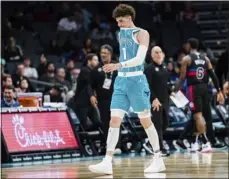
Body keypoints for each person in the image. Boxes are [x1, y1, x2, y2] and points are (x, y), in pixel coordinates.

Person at [88, 4, 165, 175]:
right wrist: (119, 67)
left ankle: (158, 158)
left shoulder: (142, 33)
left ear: (130, 18)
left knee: (145, 121)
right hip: (121, 81)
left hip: (136, 81)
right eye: (117, 22)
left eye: (121, 21)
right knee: (114, 121)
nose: (119, 24)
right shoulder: (120, 33)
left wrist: (118, 64)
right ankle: (107, 161)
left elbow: (139, 59)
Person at [175, 38, 224, 153]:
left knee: (197, 116)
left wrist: (175, 90)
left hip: (194, 88)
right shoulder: (205, 58)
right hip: (205, 88)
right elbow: (213, 75)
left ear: (189, 46)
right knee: (202, 116)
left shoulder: (186, 59)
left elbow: (182, 78)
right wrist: (219, 90)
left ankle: (205, 142)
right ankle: (194, 142)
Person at [144, 46, 172, 157]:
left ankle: (150, 142)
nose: (159, 54)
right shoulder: (149, 68)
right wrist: (153, 99)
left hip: (165, 99)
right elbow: (147, 86)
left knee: (166, 123)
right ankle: (160, 148)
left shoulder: (164, 67)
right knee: (158, 124)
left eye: (160, 52)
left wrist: (171, 91)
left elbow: (165, 83)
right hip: (155, 101)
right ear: (152, 55)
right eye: (156, 52)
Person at [91, 44, 119, 154]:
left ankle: (118, 145)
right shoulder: (96, 69)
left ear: (110, 54)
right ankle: (109, 146)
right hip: (103, 100)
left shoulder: (117, 67)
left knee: (116, 122)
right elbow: (91, 85)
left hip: (116, 99)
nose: (103, 55)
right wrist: (92, 95)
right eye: (101, 53)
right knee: (106, 123)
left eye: (105, 53)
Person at [68, 53, 99, 130]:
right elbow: (90, 83)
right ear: (89, 61)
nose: (97, 62)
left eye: (98, 60)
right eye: (95, 60)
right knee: (83, 125)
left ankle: (98, 140)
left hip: (90, 103)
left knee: (97, 122)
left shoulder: (93, 71)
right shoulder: (85, 71)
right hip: (81, 103)